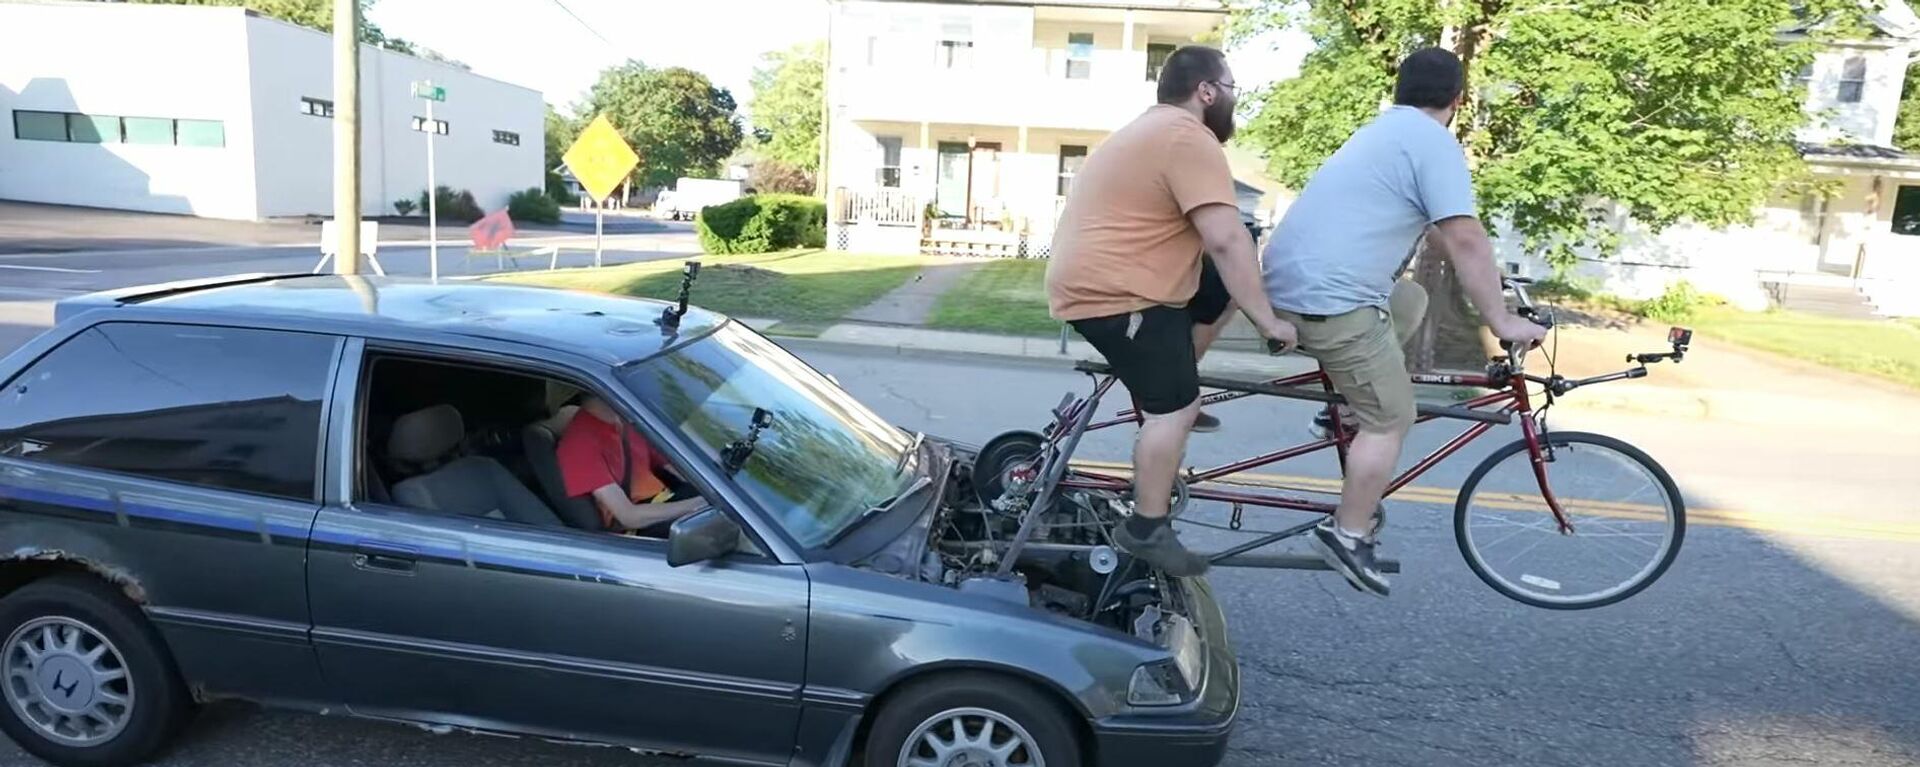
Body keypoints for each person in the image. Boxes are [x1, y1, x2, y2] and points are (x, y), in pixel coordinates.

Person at [1263, 48, 1546, 596]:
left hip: (1294, 287)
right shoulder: (1434, 142)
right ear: (1457, 101)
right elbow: (1465, 238)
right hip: (1329, 302)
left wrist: (1491, 282)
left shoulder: (1385, 132)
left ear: (1400, 91)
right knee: (1394, 417)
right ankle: (1346, 534)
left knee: (1409, 298)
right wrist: (1502, 320)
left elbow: (1446, 232)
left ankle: (1345, 410)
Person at [1046, 45, 1298, 577]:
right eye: (1232, 90)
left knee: (1217, 287)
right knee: (1175, 410)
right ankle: (1146, 527)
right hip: (1118, 295)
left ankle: (1173, 383)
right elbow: (1226, 239)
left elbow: (1224, 249)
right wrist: (1269, 322)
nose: (1233, 101)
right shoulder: (1188, 137)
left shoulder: (1148, 130)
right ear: (1207, 91)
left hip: (1118, 279)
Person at [555, 394, 705, 535]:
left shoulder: (626, 418)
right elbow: (628, 516)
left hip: (664, 501)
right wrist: (698, 504)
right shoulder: (579, 446)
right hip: (640, 529)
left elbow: (675, 465)